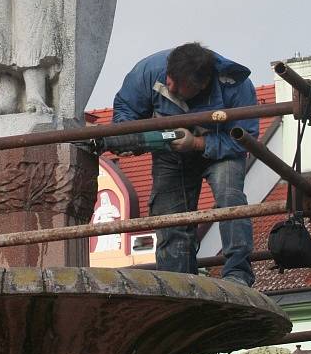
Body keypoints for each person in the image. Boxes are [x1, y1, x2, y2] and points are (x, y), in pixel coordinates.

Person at [109, 42, 257, 287]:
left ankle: (238, 274)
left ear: (203, 83)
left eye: (180, 85)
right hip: (171, 152)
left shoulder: (236, 86)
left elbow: (245, 140)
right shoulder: (149, 70)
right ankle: (180, 283)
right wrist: (130, 138)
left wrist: (198, 143)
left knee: (230, 200)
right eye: (170, 79)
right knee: (169, 217)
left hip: (222, 151)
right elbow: (125, 109)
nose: (171, 86)